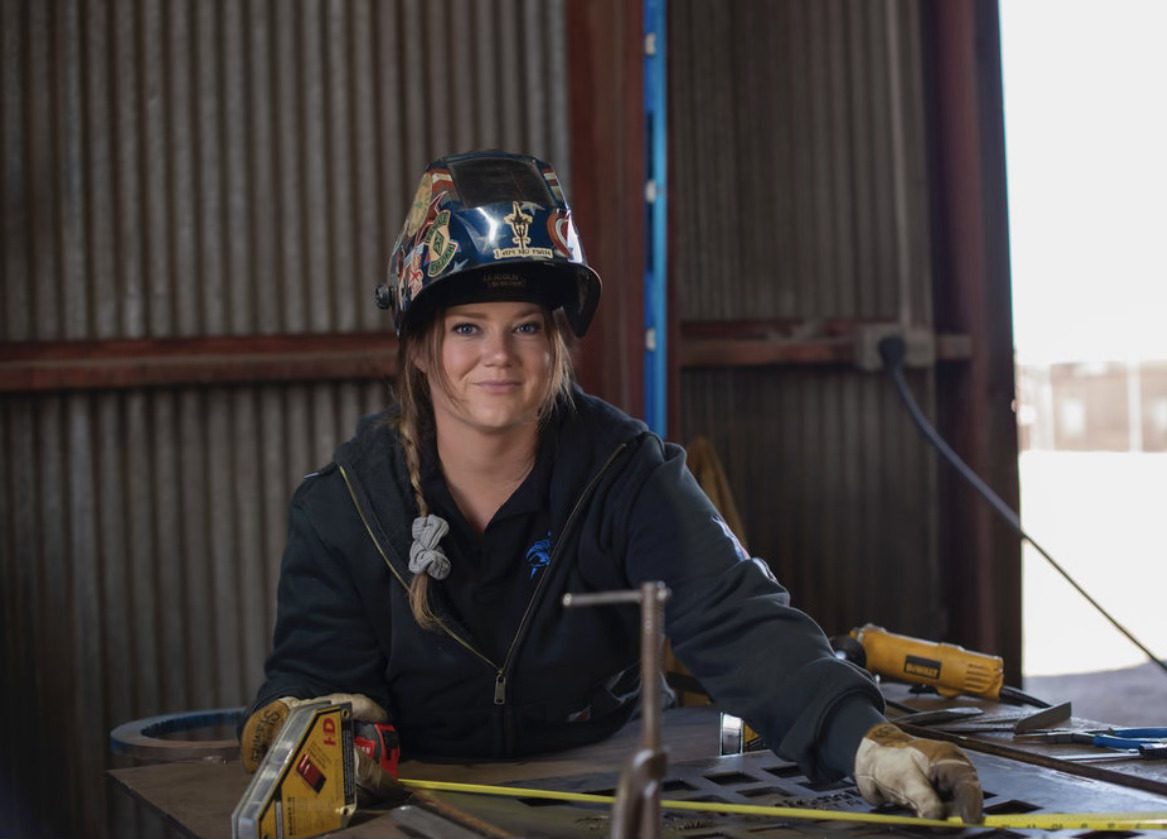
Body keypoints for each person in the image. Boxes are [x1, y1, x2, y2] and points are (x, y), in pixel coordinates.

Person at [239, 150, 983, 822]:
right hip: (428, 799)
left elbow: (738, 619)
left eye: (526, 326)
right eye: (468, 326)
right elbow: (307, 683)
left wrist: (866, 742)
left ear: (556, 345)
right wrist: (324, 725)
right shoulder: (345, 506)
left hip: (616, 784)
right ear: (423, 348)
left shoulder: (626, 474)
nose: (498, 355)